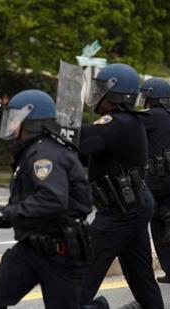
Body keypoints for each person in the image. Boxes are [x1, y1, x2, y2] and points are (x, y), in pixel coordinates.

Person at [0, 89, 110, 309]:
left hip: (60, 252)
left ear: (33, 122)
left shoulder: (45, 155)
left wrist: (5, 213)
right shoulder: (33, 151)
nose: (12, 126)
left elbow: (51, 201)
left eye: (16, 119)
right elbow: (27, 205)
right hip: (30, 248)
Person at [78, 64, 163, 308]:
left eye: (101, 90)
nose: (96, 95)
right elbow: (85, 156)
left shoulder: (117, 123)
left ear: (115, 95)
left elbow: (81, 142)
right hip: (131, 206)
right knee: (141, 277)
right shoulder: (123, 124)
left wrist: (52, 130)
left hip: (120, 211)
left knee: (81, 271)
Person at [137, 77, 170, 284]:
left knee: (153, 215)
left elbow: (129, 124)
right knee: (160, 225)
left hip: (157, 178)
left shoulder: (151, 116)